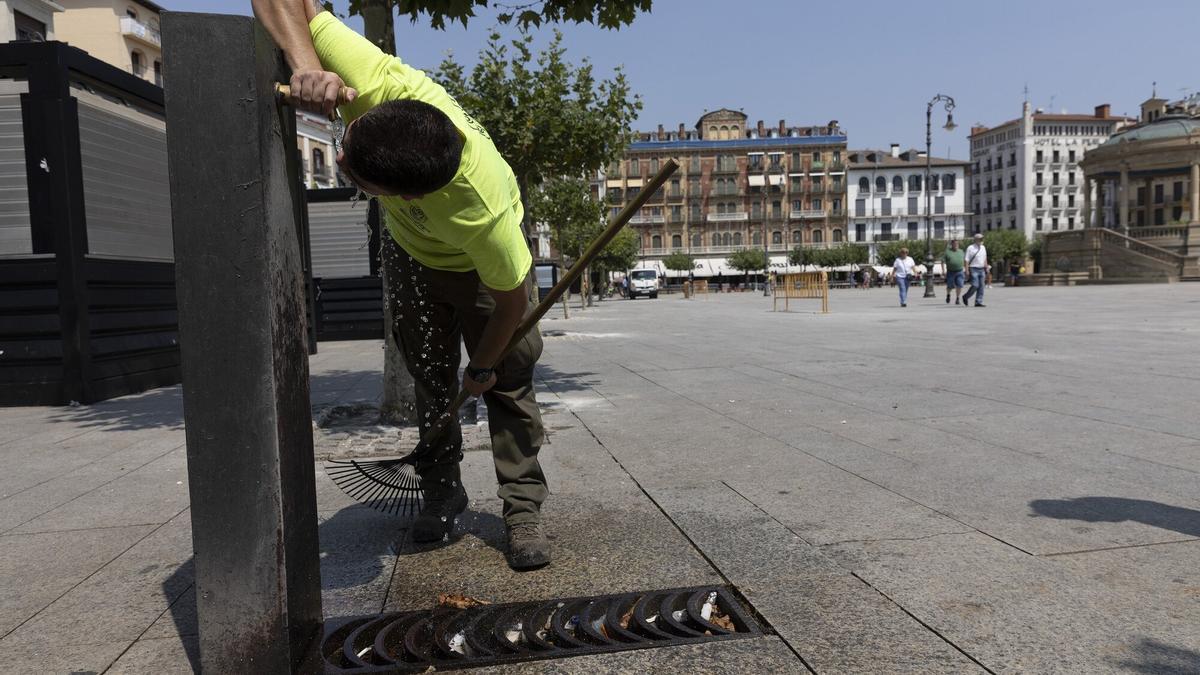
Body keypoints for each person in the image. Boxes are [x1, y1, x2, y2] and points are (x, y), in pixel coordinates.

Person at [253, 0, 551, 569]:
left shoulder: (483, 216)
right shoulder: (376, 83)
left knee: (508, 382)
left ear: (407, 195)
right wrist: (306, 66)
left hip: (480, 273)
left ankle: (522, 508)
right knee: (429, 375)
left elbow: (511, 304)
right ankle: (441, 492)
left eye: (351, 168)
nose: (340, 153)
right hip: (412, 254)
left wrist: (483, 365)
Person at [962, 233, 989, 308]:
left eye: (982, 239)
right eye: (980, 239)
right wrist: (967, 270)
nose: (982, 240)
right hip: (973, 268)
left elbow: (985, 258)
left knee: (981, 286)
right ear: (976, 239)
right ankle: (966, 296)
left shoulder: (983, 247)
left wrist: (986, 267)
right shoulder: (970, 248)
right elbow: (966, 260)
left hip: (981, 268)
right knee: (975, 285)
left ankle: (978, 302)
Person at [942, 239, 966, 305]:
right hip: (950, 271)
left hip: (960, 271)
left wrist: (966, 269)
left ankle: (957, 298)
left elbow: (965, 260)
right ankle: (948, 295)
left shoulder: (961, 251)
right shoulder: (947, 252)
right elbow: (942, 261)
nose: (956, 245)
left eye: (957, 244)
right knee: (950, 286)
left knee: (960, 285)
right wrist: (943, 271)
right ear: (952, 244)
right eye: (955, 244)